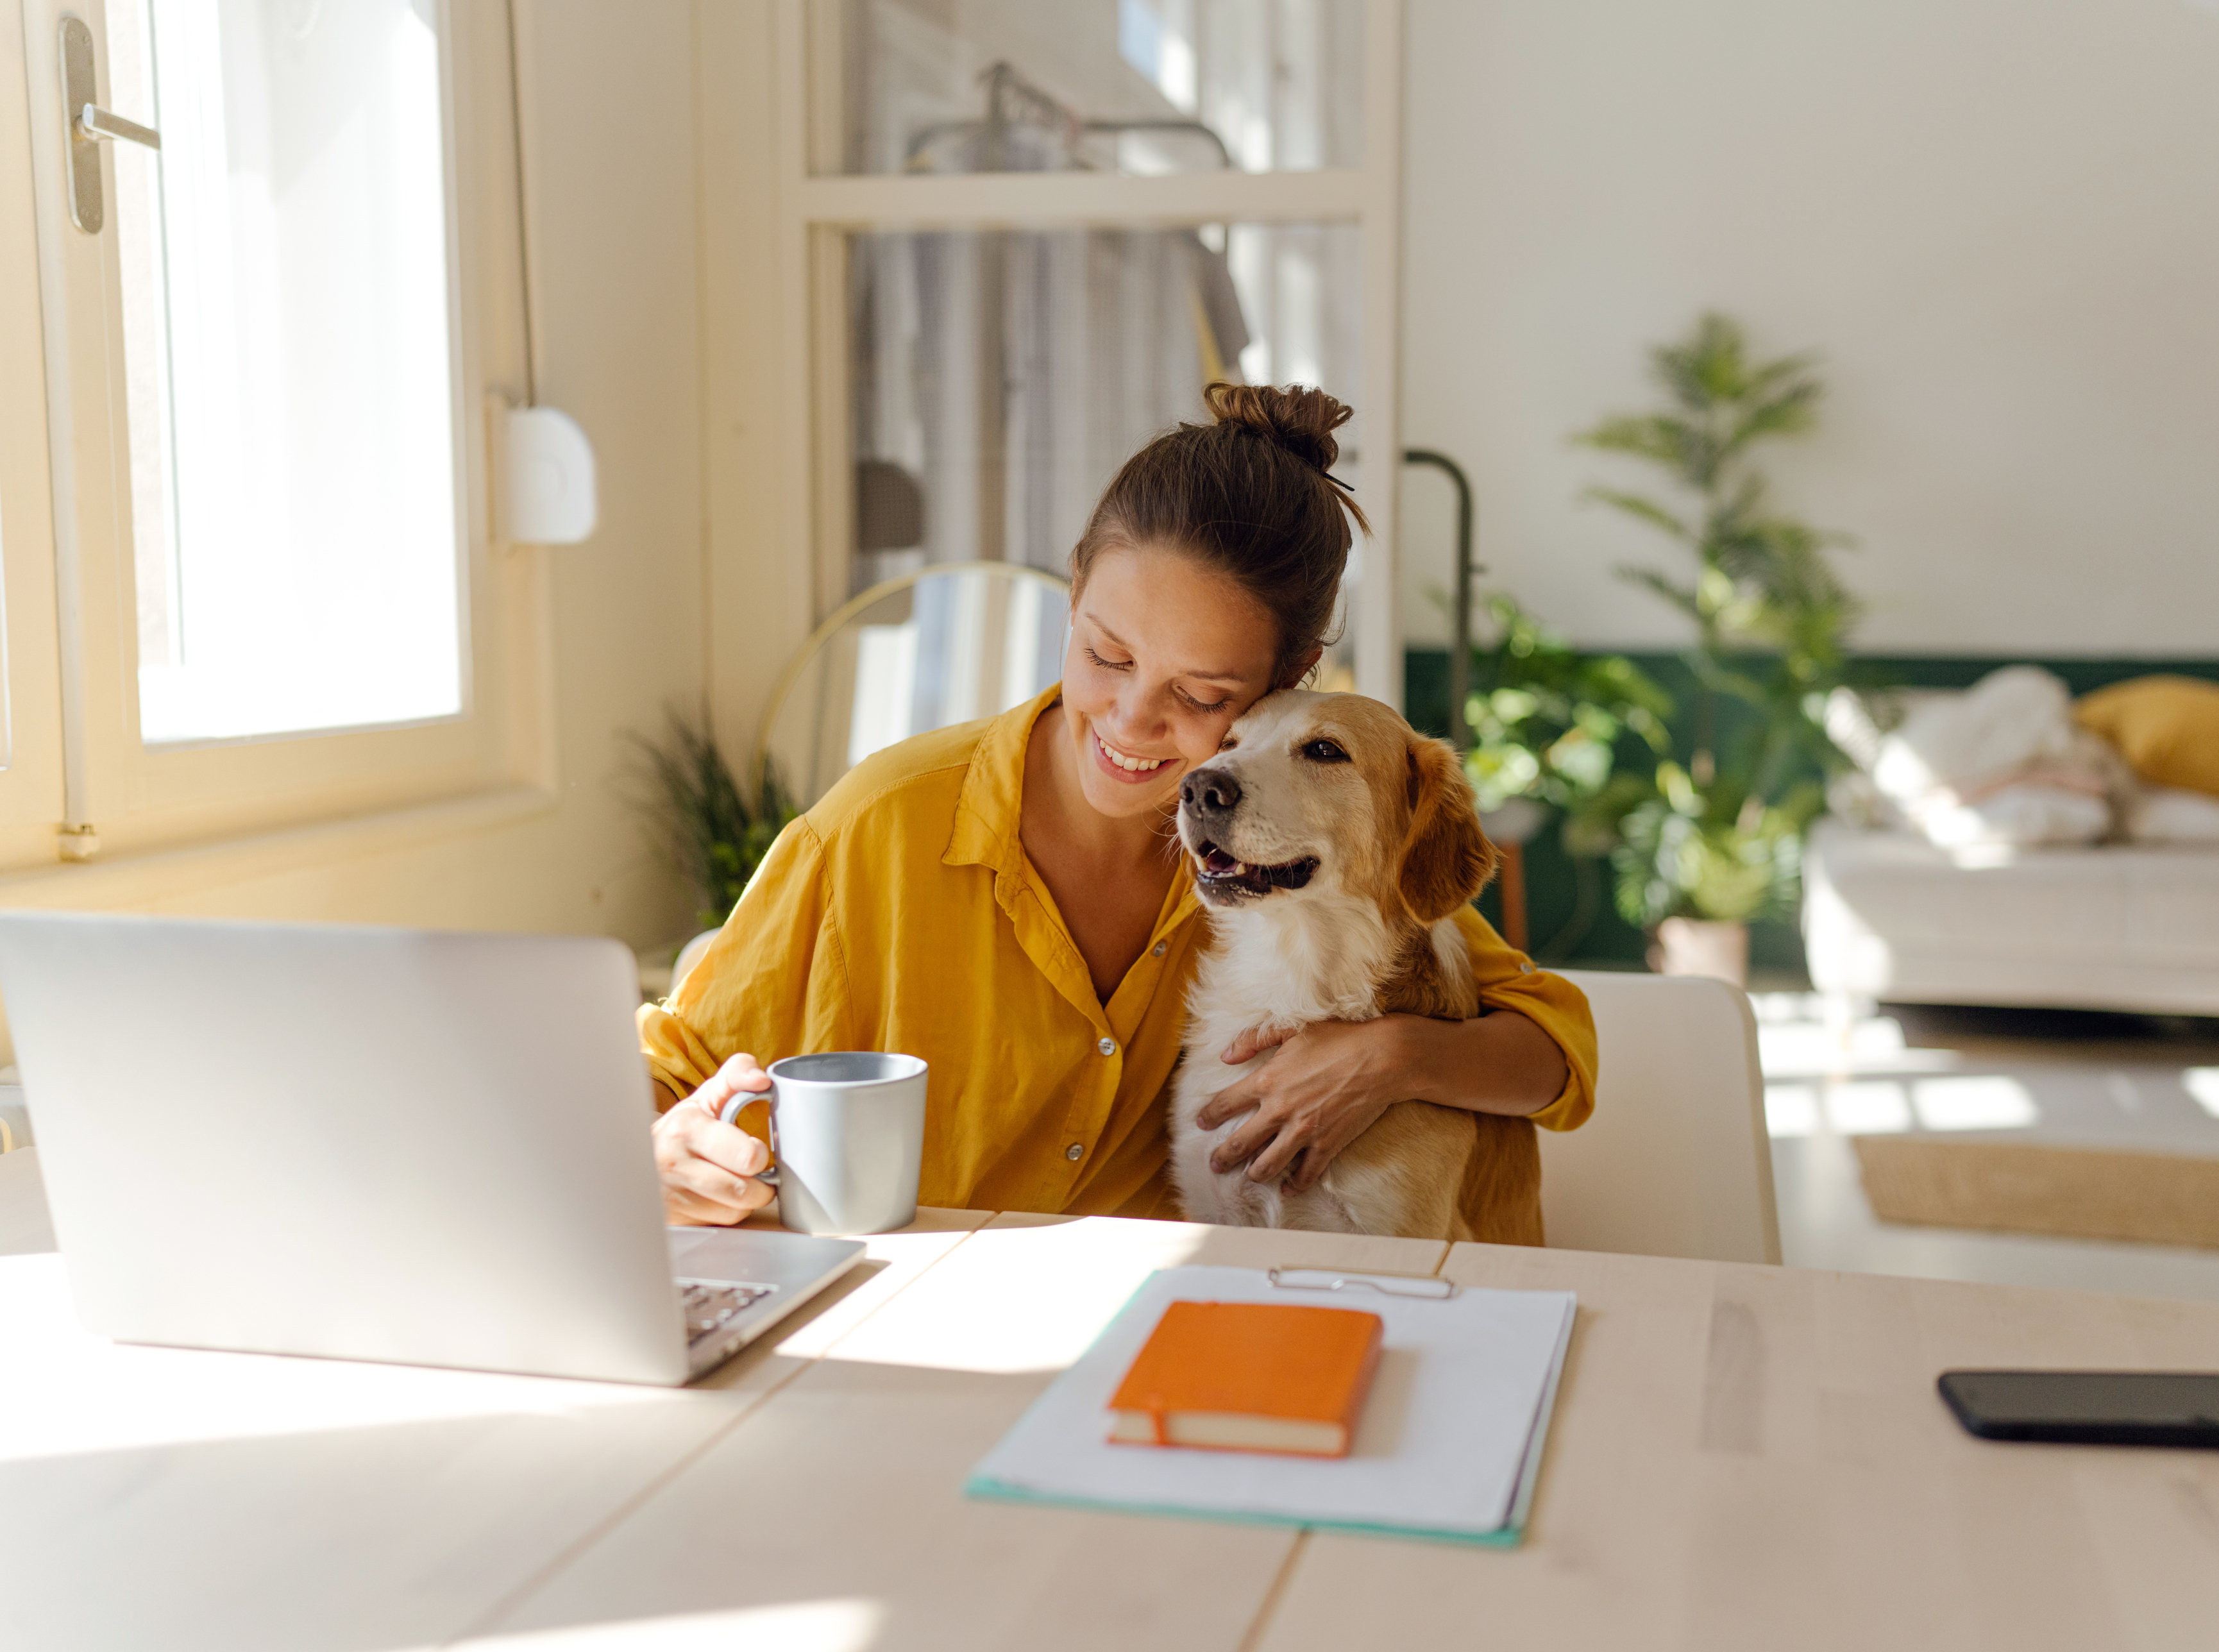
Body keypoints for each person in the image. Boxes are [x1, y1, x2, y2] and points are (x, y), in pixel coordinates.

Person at [638, 384, 1596, 1241]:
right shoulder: (876, 829)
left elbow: (1552, 1049)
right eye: (1108, 654)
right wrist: (663, 1149)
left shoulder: (1288, 859)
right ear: (1075, 591)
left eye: (1205, 692)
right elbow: (668, 1079)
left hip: (1156, 1338)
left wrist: (1394, 1057)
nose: (1134, 723)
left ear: (1287, 683)